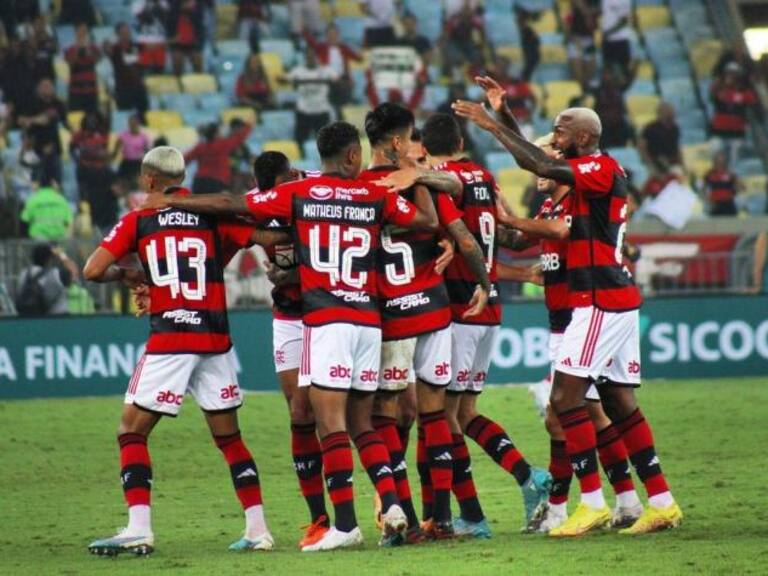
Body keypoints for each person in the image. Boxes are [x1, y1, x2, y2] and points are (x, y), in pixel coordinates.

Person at [140, 122, 441, 552]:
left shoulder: (298, 194)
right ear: (353, 157)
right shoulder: (375, 195)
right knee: (362, 422)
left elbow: (231, 203)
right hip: (369, 322)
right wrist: (418, 174)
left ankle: (344, 525)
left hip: (327, 321)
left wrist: (163, 203)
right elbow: (428, 220)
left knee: (329, 423)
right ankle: (392, 507)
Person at [453, 95, 683, 536]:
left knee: (564, 402)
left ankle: (591, 502)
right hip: (604, 301)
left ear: (582, 137)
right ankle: (660, 501)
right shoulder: (580, 181)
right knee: (616, 401)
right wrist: (503, 116)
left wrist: (489, 125)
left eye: (560, 131)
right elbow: (542, 161)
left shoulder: (600, 168)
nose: (554, 140)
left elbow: (543, 164)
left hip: (599, 301)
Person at [83, 146, 284, 556]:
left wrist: (132, 274)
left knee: (131, 431)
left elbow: (92, 270)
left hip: (172, 339)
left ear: (149, 180)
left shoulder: (139, 220)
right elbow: (264, 238)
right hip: (214, 339)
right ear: (182, 175)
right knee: (230, 439)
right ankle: (258, 528)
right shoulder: (211, 215)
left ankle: (138, 527)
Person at [403, 112, 552, 530]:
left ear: (427, 149)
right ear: (462, 144)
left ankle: (472, 512)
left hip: (457, 308)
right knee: (464, 413)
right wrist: (523, 273)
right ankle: (520, 484)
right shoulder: (483, 178)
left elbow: (460, 239)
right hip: (489, 308)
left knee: (440, 417)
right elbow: (498, 238)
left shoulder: (438, 179)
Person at [493, 132, 643, 533]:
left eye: (544, 155)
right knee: (586, 413)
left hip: (584, 317)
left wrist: (497, 125)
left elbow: (561, 231)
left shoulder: (576, 201)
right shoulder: (547, 203)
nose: (536, 167)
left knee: (572, 412)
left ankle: (579, 504)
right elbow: (515, 237)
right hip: (564, 322)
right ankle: (621, 502)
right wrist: (495, 209)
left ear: (560, 160)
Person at [360, 103, 492, 542]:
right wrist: (485, 283)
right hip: (433, 312)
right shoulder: (427, 186)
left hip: (390, 318)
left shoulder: (356, 188)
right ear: (398, 141)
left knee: (387, 415)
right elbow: (465, 238)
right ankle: (444, 518)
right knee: (435, 413)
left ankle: (404, 519)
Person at [70, 111, 118, 235]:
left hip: (101, 170)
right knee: (89, 197)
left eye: (94, 119)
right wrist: (79, 160)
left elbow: (107, 151)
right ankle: (85, 205)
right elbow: (72, 149)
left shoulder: (102, 133)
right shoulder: (79, 135)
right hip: (86, 169)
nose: (92, 122)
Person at [17, 78, 68, 187]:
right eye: (44, 86)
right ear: (38, 89)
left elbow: (65, 122)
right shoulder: (32, 103)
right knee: (38, 182)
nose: (47, 89)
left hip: (55, 148)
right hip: (36, 148)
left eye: (49, 86)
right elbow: (21, 120)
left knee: (57, 182)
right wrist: (36, 120)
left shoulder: (58, 104)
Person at [303, 24, 362, 110]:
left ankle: (344, 107)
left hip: (342, 77)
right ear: (326, 36)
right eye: (330, 34)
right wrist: (305, 33)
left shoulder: (343, 48)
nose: (332, 37)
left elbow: (358, 58)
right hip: (327, 78)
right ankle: (339, 106)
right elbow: (311, 43)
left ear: (338, 35)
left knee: (347, 84)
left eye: (334, 34)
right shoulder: (321, 47)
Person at [284, 49, 337, 144]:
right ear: (305, 58)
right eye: (308, 56)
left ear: (317, 58)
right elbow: (284, 80)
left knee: (326, 144)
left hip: (321, 112)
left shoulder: (327, 70)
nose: (311, 58)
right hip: (304, 112)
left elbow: (337, 80)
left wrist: (333, 81)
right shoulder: (298, 71)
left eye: (313, 56)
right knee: (299, 142)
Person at [184, 120, 253, 194]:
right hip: (216, 182)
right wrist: (249, 123)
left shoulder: (200, 147)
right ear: (216, 134)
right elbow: (240, 137)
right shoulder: (223, 145)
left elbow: (184, 160)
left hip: (199, 182)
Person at [710, 62, 758, 161]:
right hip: (719, 132)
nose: (730, 76)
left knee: (735, 160)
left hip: (737, 133)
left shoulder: (744, 91)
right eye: (728, 73)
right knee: (715, 152)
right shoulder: (719, 88)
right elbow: (713, 94)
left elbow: (752, 101)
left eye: (733, 74)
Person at [16, 243, 77, 316]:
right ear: (49, 259)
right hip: (58, 318)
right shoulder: (57, 274)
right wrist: (61, 254)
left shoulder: (24, 274)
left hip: (30, 318)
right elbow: (73, 272)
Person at [106, 22, 149, 118]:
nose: (126, 34)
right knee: (125, 116)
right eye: (123, 32)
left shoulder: (136, 46)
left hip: (138, 87)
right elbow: (107, 50)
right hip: (123, 89)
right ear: (118, 34)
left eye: (127, 31)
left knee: (143, 116)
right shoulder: (115, 48)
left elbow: (147, 51)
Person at [64, 22, 101, 114]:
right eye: (81, 31)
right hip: (75, 90)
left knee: (92, 116)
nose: (83, 34)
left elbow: (97, 60)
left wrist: (88, 49)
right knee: (76, 115)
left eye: (85, 31)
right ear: (76, 33)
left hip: (91, 89)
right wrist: (78, 48)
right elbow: (71, 63)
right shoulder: (70, 49)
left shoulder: (93, 48)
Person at [594, 68, 631, 149]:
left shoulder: (619, 91)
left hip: (618, 124)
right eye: (605, 75)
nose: (607, 77)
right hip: (603, 124)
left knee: (627, 129)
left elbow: (623, 110)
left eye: (610, 75)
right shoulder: (596, 92)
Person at [639, 102, 682, 170]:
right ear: (660, 114)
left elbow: (677, 148)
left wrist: (683, 166)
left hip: (672, 162)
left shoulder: (675, 128)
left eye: (671, 112)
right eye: (667, 112)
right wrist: (651, 167)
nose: (670, 114)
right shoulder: (650, 128)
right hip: (656, 162)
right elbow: (642, 148)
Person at [169, 0, 205, 76]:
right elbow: (169, 27)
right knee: (177, 58)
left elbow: (200, 29)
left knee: (197, 58)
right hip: (177, 43)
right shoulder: (173, 11)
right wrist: (172, 39)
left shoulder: (197, 10)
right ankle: (177, 78)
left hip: (192, 43)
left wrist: (198, 43)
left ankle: (199, 78)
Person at [132, 0, 169, 73]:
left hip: (160, 41)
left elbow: (165, 16)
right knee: (143, 68)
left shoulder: (163, 3)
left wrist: (156, 3)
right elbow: (141, 17)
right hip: (143, 41)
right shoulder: (138, 3)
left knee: (160, 68)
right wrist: (147, 3)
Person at [113, 113, 150, 184]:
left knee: (137, 183)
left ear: (138, 123)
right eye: (131, 123)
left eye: (135, 123)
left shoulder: (144, 137)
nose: (133, 125)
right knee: (124, 183)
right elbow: (115, 152)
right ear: (129, 124)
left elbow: (147, 152)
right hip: (126, 163)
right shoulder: (122, 136)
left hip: (137, 163)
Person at [600, 0, 632, 80]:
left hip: (620, 39)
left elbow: (624, 21)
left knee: (623, 71)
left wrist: (608, 33)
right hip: (607, 40)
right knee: (608, 70)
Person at [704, 151, 741, 217]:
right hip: (715, 204)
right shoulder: (710, 174)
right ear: (714, 161)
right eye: (718, 161)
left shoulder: (730, 173)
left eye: (722, 160)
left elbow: (739, 186)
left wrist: (734, 193)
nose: (720, 163)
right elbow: (704, 188)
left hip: (728, 203)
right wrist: (708, 200)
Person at [517, 8, 541, 82]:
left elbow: (537, 41)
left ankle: (524, 80)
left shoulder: (529, 31)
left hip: (531, 56)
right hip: (529, 56)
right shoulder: (524, 31)